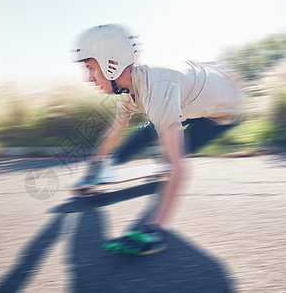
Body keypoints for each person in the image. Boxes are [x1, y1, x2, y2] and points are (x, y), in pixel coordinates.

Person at [73, 24, 243, 255]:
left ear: (110, 63)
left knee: (169, 155)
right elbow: (114, 132)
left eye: (91, 68)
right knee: (148, 132)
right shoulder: (129, 92)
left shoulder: (157, 86)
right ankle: (117, 168)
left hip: (222, 114)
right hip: (192, 97)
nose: (88, 79)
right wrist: (95, 169)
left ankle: (157, 224)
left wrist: (154, 229)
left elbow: (179, 167)